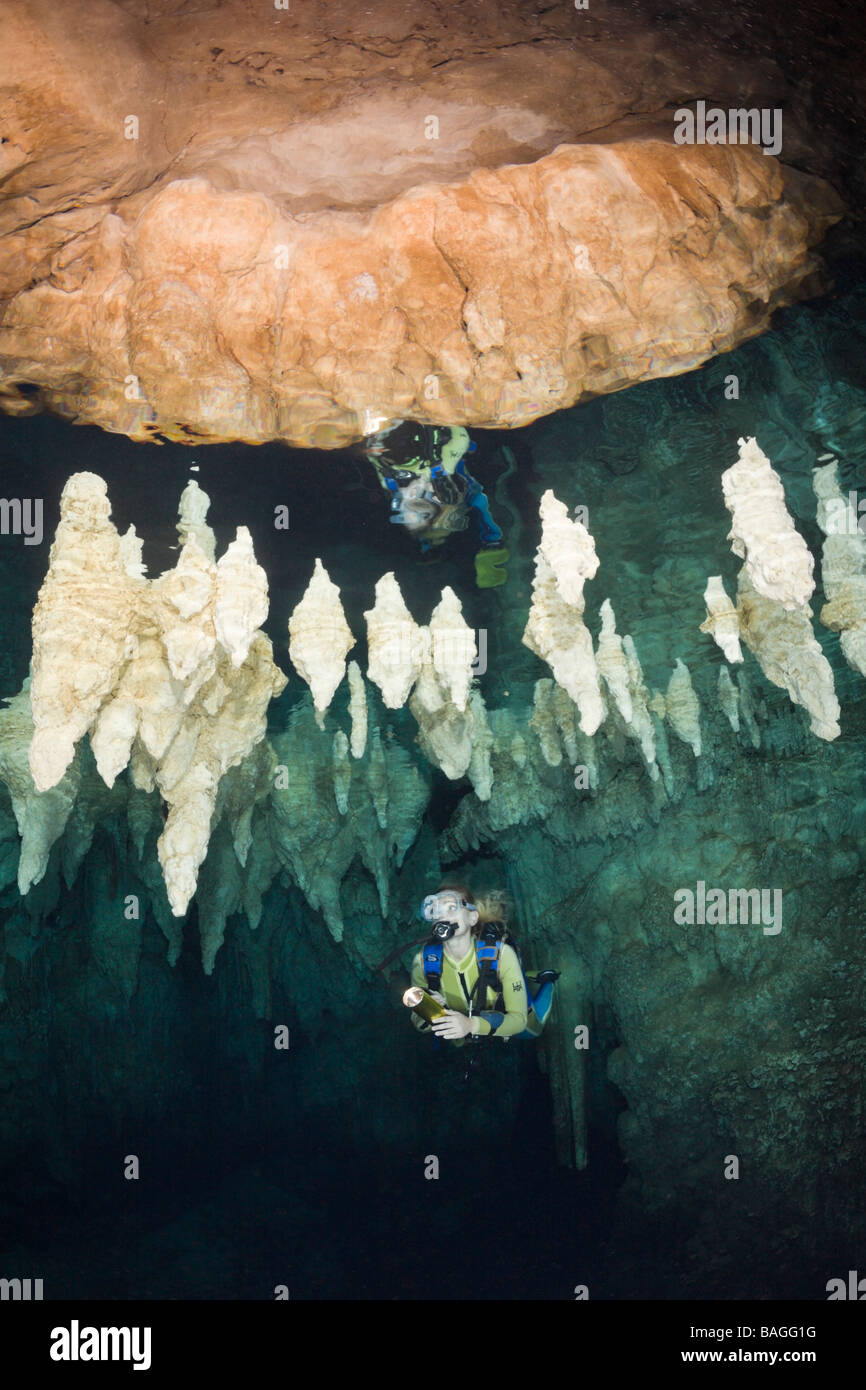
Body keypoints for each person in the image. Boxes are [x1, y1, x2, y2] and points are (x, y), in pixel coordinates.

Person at [361, 421, 510, 588]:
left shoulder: (389, 479)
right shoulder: (444, 469)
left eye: (407, 503)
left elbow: (370, 453)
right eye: (425, 500)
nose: (412, 493)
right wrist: (492, 542)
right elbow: (460, 438)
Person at [407, 883, 559, 1043]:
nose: (442, 915)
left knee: (534, 1028)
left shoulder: (502, 955)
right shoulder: (423, 962)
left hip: (507, 1023)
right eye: (435, 910)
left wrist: (471, 1025)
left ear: (472, 917)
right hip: (466, 1033)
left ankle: (547, 979)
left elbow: (519, 1021)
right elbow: (418, 1022)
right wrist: (432, 1010)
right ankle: (517, 977)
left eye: (451, 907)